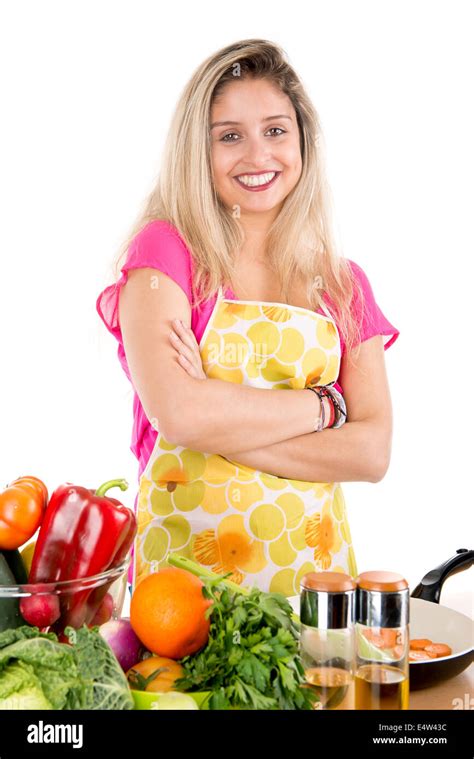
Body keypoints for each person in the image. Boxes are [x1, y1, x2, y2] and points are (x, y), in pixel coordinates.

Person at [96, 39, 399, 597]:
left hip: (318, 593)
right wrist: (325, 407)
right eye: (229, 136)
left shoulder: (342, 285)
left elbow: (371, 452)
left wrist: (219, 420)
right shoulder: (168, 254)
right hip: (183, 596)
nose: (258, 155)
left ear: (302, 140)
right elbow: (181, 416)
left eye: (276, 130)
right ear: (197, 152)